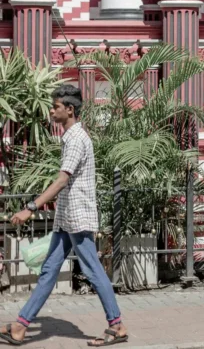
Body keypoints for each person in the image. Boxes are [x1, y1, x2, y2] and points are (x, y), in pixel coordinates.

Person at [0, 85, 128, 347]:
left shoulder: (76, 139)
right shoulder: (72, 136)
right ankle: (21, 325)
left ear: (69, 110)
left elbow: (61, 181)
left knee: (93, 271)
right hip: (68, 216)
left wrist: (30, 208)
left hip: (78, 216)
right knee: (48, 271)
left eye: (56, 107)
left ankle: (117, 326)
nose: (52, 110)